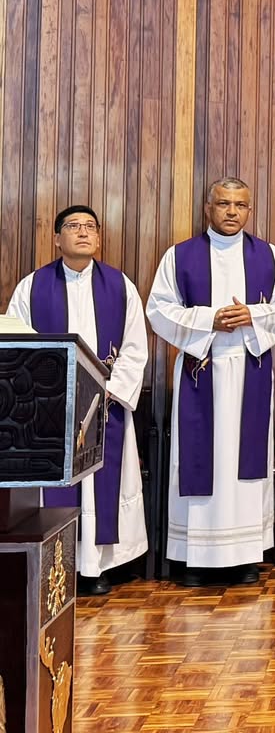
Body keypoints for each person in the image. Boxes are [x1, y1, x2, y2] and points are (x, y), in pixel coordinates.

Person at [146, 177, 275, 586]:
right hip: (202, 365)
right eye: (224, 204)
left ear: (250, 210)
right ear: (207, 207)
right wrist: (207, 320)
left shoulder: (268, 255)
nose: (232, 212)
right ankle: (196, 557)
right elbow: (159, 309)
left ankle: (246, 556)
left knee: (244, 463)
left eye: (241, 205)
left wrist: (252, 316)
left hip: (248, 367)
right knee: (201, 460)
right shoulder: (180, 256)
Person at [6, 205, 148, 595]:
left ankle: (97, 567)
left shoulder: (121, 287)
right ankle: (57, 566)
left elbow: (136, 348)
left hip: (105, 406)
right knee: (57, 485)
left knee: (101, 484)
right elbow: (20, 343)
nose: (82, 232)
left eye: (90, 227)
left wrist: (106, 392)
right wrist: (49, 391)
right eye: (72, 226)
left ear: (99, 238)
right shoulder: (31, 287)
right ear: (57, 238)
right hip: (51, 409)